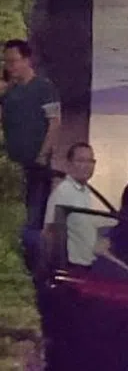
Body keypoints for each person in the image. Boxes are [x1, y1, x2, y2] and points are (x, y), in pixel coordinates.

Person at [0, 39, 61, 260]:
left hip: (36, 166)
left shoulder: (44, 88)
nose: (10, 66)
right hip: (13, 166)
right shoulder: (9, 92)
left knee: (33, 218)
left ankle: (32, 262)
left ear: (27, 60)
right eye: (6, 62)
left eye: (14, 61)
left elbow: (54, 122)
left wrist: (42, 154)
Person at [42, 142, 116, 272]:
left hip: (87, 265)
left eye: (90, 161)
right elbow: (50, 231)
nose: (86, 166)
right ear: (69, 164)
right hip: (70, 267)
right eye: (81, 160)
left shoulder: (85, 191)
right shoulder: (63, 192)